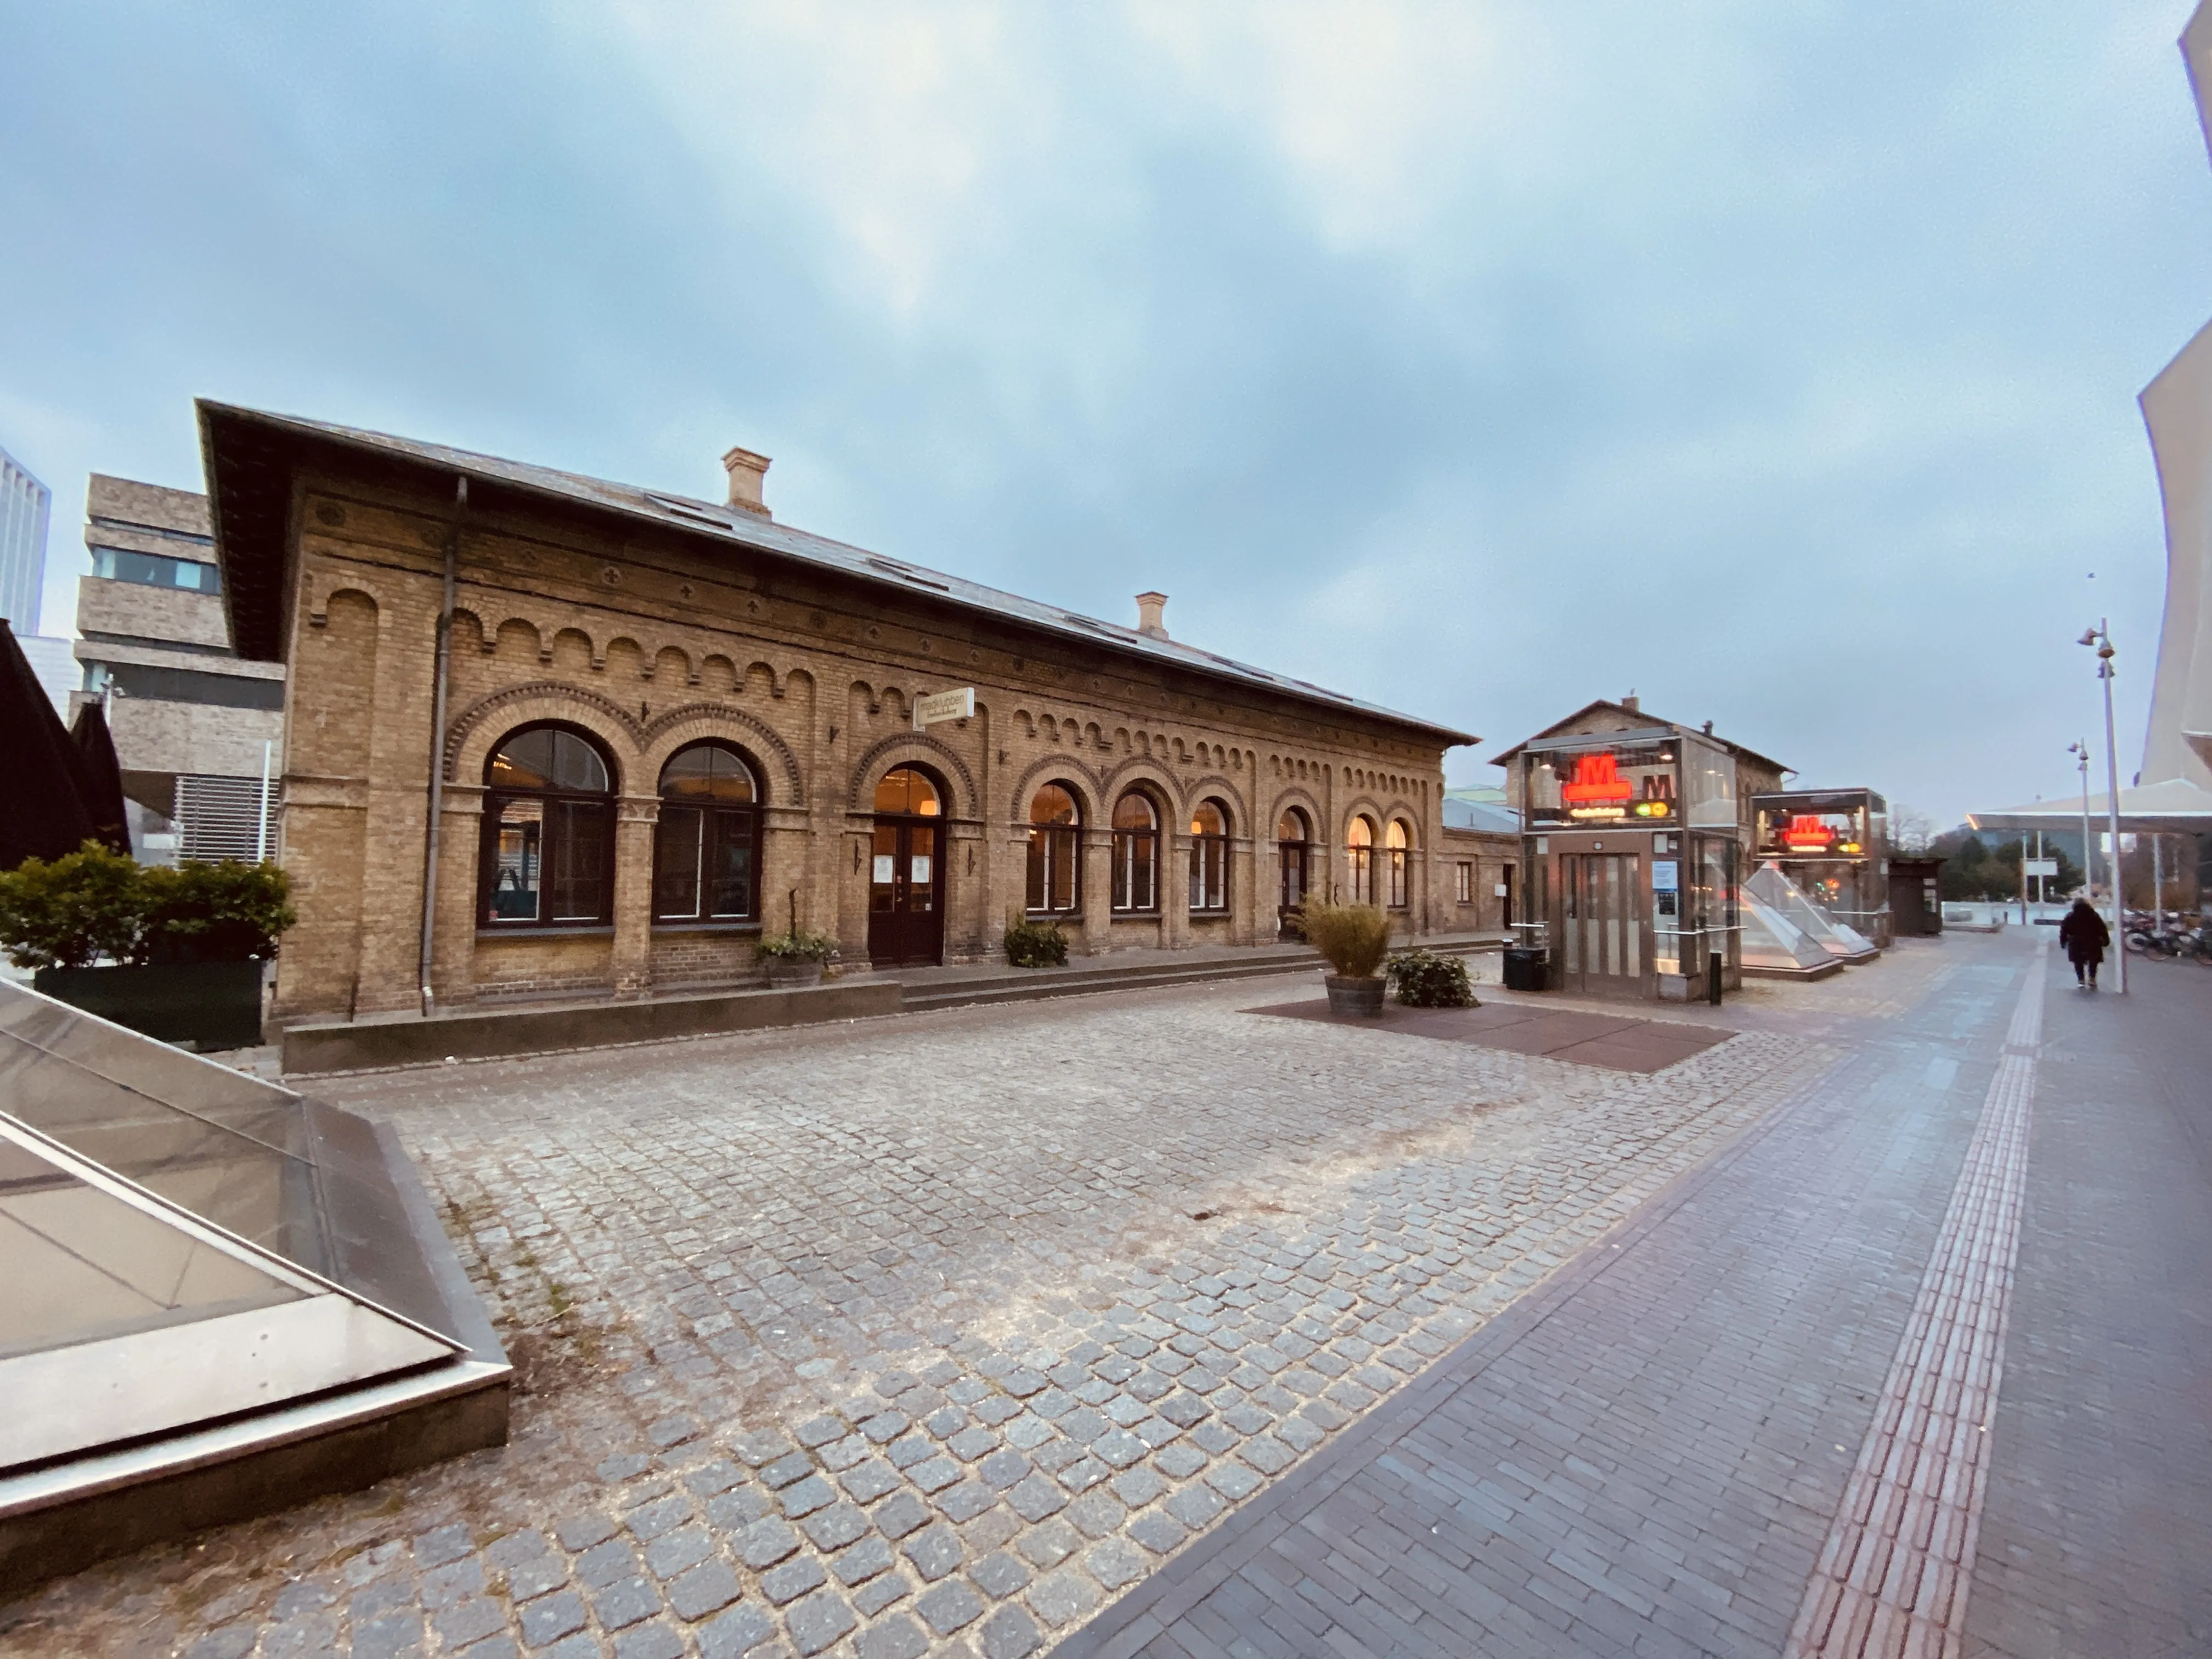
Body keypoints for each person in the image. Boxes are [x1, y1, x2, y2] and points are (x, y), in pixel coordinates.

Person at [2058, 896, 2111, 990]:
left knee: (2078, 962)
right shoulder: (2094, 915)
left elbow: (2064, 930)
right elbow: (2102, 929)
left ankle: (2081, 980)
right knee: (2093, 961)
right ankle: (2092, 979)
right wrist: (2106, 940)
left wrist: (2063, 942)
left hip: (2076, 943)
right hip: (2093, 942)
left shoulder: (2070, 916)